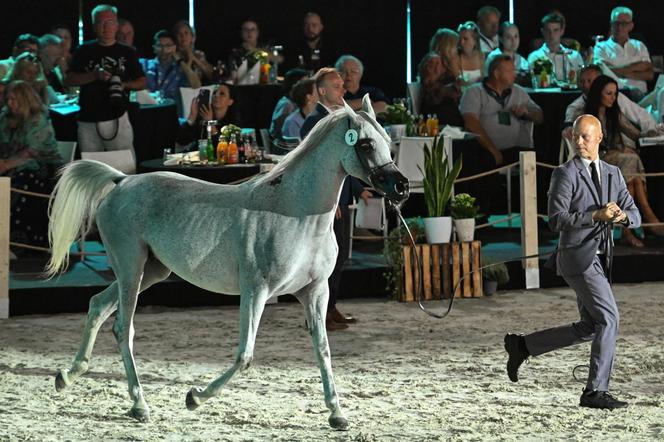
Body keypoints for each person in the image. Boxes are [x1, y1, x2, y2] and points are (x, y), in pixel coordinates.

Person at [504, 114, 640, 410]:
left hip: (601, 260)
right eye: (575, 136)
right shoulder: (564, 173)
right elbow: (557, 219)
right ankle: (594, 392)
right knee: (610, 318)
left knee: (590, 326)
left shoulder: (614, 174)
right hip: (577, 258)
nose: (578, 142)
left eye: (585, 137)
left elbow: (634, 213)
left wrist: (621, 216)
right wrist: (595, 215)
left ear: (599, 138)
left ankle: (523, 346)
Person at [300, 67, 371, 331]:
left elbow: (345, 162)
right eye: (336, 86)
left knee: (339, 257)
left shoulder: (340, 120)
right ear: (321, 90)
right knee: (327, 260)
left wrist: (357, 188)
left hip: (342, 199)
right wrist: (332, 201)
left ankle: (330, 307)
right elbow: (316, 167)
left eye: (343, 85)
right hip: (326, 203)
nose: (343, 90)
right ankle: (318, 314)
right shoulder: (314, 122)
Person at [583, 75, 663, 246]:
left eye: (615, 93)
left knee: (632, 179)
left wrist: (651, 133)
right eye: (609, 94)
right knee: (630, 159)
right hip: (598, 159)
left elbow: (633, 132)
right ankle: (648, 219)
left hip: (616, 160)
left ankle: (629, 229)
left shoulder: (614, 113)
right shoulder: (588, 116)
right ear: (599, 94)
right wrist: (619, 149)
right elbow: (592, 148)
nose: (613, 97)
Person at [64, 4, 146, 153]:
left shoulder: (127, 52)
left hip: (117, 115)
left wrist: (123, 85)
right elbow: (69, 80)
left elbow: (142, 82)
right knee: (91, 166)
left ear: (116, 25)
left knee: (123, 163)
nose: (106, 27)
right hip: (88, 117)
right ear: (94, 26)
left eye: (110, 22)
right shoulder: (83, 50)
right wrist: (94, 75)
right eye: (101, 22)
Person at [0, 80, 62, 249]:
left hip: (44, 167)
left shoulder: (38, 118)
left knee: (21, 180)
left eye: (14, 99)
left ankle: (20, 243)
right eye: (8, 99)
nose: (9, 103)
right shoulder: (5, 117)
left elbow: (31, 152)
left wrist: (5, 165)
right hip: (13, 163)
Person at [460, 54, 543, 166]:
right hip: (486, 151)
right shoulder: (474, 92)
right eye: (510, 71)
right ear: (496, 74)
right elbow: (471, 123)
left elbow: (540, 116)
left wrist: (527, 113)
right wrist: (493, 150)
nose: (514, 75)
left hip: (518, 151)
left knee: (541, 161)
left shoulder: (518, 91)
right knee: (485, 161)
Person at [564, 65, 656, 133]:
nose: (585, 85)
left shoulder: (614, 96)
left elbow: (640, 115)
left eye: (589, 81)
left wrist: (652, 131)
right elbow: (569, 125)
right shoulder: (576, 106)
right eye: (582, 81)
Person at [593, 6, 654, 101]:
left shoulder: (639, 46)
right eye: (616, 23)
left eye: (624, 23)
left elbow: (650, 75)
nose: (620, 27)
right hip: (615, 97)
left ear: (631, 26)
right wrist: (636, 68)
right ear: (611, 24)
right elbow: (602, 72)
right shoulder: (601, 47)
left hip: (641, 96)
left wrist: (618, 72)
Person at [140, 30, 200, 100]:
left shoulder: (180, 70)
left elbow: (196, 86)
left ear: (174, 48)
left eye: (168, 46)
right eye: (159, 46)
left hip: (171, 109)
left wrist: (179, 60)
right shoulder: (144, 64)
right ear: (154, 48)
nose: (163, 49)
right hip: (148, 107)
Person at [527, 12, 583, 85]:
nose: (551, 34)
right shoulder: (534, 57)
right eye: (548, 30)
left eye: (555, 30)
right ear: (542, 31)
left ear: (562, 31)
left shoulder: (574, 56)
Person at [176, 83, 238, 149]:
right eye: (214, 93)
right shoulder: (202, 115)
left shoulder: (233, 123)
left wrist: (210, 123)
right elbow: (181, 141)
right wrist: (192, 117)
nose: (216, 95)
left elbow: (224, 149)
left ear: (230, 102)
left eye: (222, 94)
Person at [417, 52, 463, 127]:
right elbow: (434, 97)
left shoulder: (449, 81)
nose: (438, 66)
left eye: (440, 63)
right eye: (433, 64)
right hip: (438, 122)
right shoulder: (428, 89)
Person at [268, 68, 308, 140]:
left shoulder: (295, 102)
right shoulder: (286, 104)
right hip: (282, 147)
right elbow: (281, 131)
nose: (308, 88)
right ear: (295, 85)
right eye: (305, 84)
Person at [457, 22, 484, 86]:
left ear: (474, 40)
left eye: (465, 39)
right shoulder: (456, 58)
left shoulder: (483, 57)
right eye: (460, 39)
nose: (461, 42)